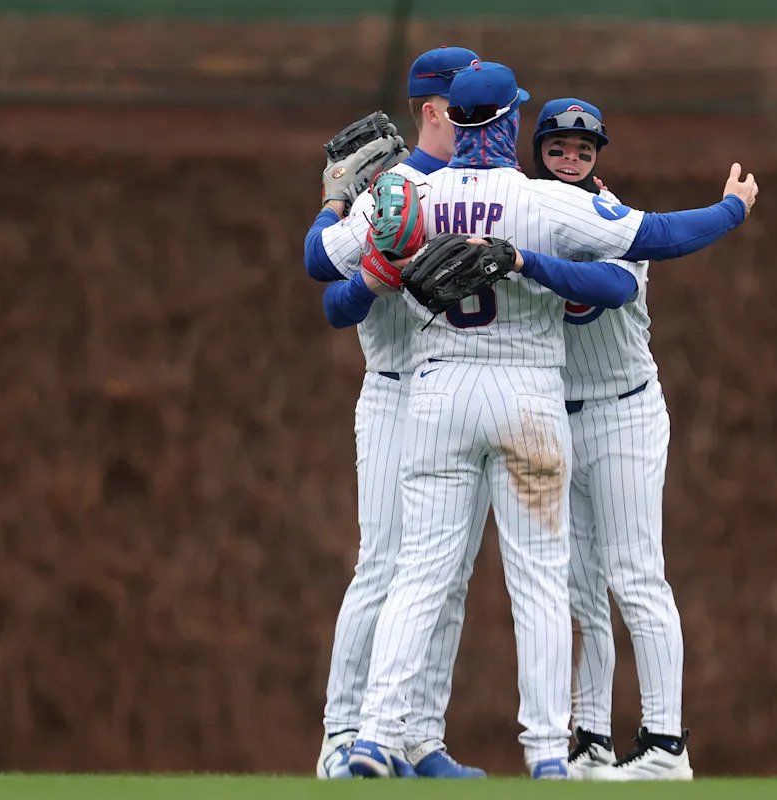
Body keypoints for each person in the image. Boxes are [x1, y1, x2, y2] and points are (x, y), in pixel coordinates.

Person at [339, 61, 758, 779]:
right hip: (527, 397)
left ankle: (374, 738)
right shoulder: (543, 201)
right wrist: (732, 210)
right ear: (509, 124)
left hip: (439, 395)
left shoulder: (410, 195)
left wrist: (338, 213)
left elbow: (325, 267)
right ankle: (545, 755)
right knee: (539, 582)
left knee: (419, 573)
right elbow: (661, 235)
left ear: (453, 122)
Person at [302, 46, 489, 780]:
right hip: (395, 392)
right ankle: (342, 734)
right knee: (383, 566)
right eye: (466, 104)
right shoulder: (395, 187)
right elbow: (321, 266)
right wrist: (335, 205)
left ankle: (417, 737)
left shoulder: (491, 185)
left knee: (448, 576)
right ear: (433, 111)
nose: (482, 116)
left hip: (463, 395)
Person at [531, 98, 692, 781]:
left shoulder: (611, 216)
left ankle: (665, 743)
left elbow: (610, 289)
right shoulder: (524, 215)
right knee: (579, 587)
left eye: (583, 150)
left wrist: (522, 262)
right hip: (558, 415)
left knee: (634, 574)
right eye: (558, 148)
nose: (570, 159)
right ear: (539, 152)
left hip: (624, 412)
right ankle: (590, 735)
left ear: (597, 159)